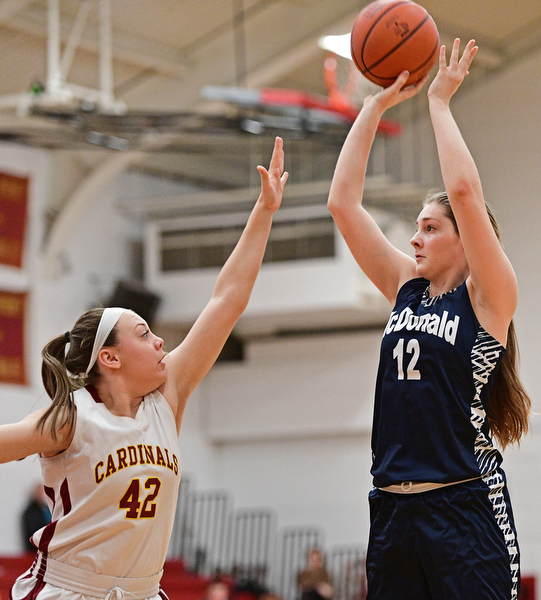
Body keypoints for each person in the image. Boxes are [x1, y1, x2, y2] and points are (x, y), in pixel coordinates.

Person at [0, 137, 288, 600]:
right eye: (143, 333)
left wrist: (264, 211)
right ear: (109, 358)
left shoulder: (166, 396)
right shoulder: (72, 417)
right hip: (68, 590)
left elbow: (226, 300)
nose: (159, 341)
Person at [327, 39, 531, 600]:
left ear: (467, 239)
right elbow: (343, 203)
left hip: (463, 507)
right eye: (415, 226)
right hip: (392, 510)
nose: (414, 237)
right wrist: (373, 107)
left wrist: (439, 104)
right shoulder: (404, 289)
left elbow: (464, 191)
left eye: (430, 227)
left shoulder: (489, 297)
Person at [21, 482, 51, 552]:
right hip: (34, 550)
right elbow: (32, 531)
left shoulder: (47, 508)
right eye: (39, 492)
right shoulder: (29, 512)